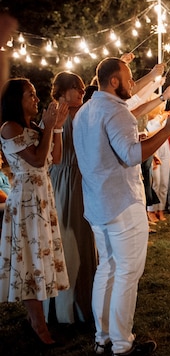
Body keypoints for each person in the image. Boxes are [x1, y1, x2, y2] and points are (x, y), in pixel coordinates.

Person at [73, 57, 170, 356]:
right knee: (127, 273)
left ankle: (102, 338)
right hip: (122, 202)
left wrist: (140, 136)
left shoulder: (85, 112)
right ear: (114, 82)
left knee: (106, 269)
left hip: (97, 203)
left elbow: (114, 146)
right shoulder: (115, 111)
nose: (134, 84)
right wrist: (168, 129)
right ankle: (122, 346)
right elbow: (133, 155)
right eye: (130, 78)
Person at [0, 78, 70, 345]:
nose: (36, 99)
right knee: (28, 261)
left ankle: (38, 320)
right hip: (26, 202)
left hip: (43, 198)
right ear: (16, 99)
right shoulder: (9, 128)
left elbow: (57, 158)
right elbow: (38, 159)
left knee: (40, 258)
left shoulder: (33, 127)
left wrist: (57, 129)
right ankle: (38, 325)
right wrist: (49, 126)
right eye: (30, 94)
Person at [45, 71, 97, 325]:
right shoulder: (53, 113)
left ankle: (85, 303)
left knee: (82, 240)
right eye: (77, 88)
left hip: (80, 180)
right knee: (63, 241)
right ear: (63, 90)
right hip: (60, 180)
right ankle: (64, 309)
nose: (81, 93)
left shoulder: (84, 113)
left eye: (82, 88)